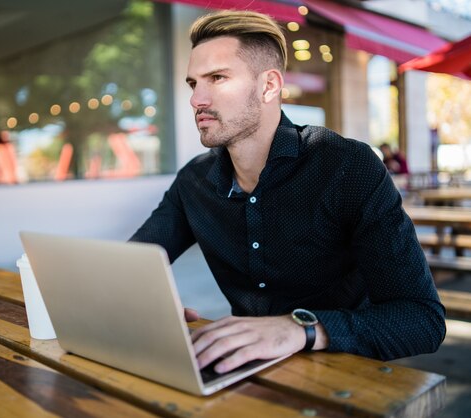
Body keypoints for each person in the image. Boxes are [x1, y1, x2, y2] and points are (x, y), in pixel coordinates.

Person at [130, 10, 445, 375]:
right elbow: (131, 267)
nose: (196, 99)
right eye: (192, 83)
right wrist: (151, 307)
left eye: (217, 78)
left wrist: (302, 329)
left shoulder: (345, 165)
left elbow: (423, 320)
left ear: (269, 86)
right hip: (247, 376)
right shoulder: (194, 181)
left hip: (349, 380)